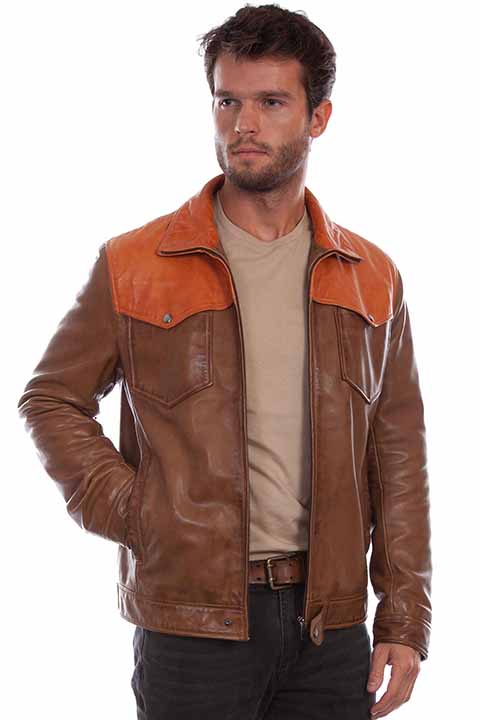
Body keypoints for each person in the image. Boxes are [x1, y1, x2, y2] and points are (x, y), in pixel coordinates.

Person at [17, 4, 432, 719]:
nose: (244, 124)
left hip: (329, 628)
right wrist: (140, 513)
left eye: (271, 103)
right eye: (227, 101)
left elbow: (399, 455)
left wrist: (404, 617)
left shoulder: (370, 277)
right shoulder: (135, 263)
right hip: (192, 626)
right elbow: (51, 399)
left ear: (318, 117)